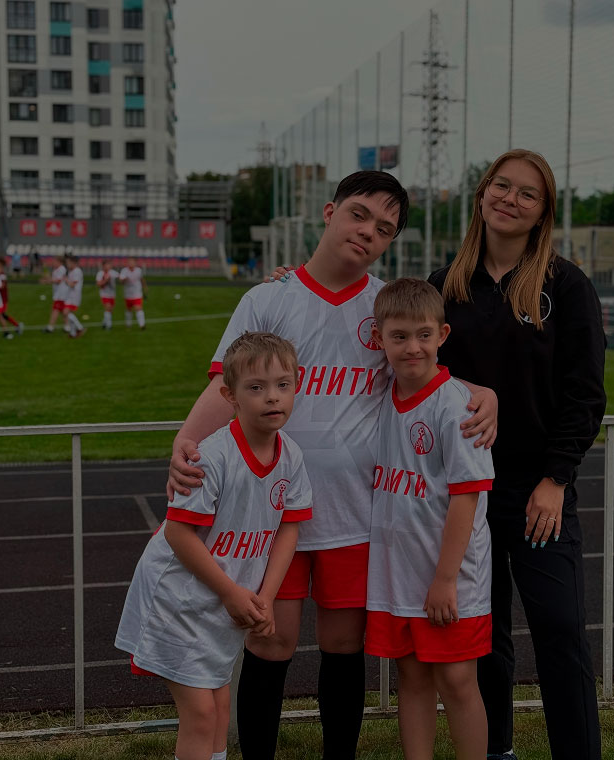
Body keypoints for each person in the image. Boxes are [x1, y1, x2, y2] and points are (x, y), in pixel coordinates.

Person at [167, 171, 497, 759]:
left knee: (343, 646)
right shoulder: (268, 299)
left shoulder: (385, 306)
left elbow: (428, 370)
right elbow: (224, 384)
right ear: (330, 212)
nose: (368, 232)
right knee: (271, 641)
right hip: (274, 513)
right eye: (359, 215)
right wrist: (186, 442)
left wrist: (485, 393)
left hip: (356, 513)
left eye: (385, 228)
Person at [427, 149, 606, 760]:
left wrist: (556, 478)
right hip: (463, 495)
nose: (511, 199)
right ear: (482, 195)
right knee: (484, 635)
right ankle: (495, 750)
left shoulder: (567, 286)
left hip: (537, 493)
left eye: (527, 193)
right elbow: (402, 352)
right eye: (501, 186)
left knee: (559, 629)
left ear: (542, 212)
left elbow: (585, 394)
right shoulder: (444, 286)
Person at [116, 332, 312, 760]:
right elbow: (177, 533)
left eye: (283, 385)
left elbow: (288, 529)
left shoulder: (292, 457)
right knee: (202, 714)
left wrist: (266, 598)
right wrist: (231, 592)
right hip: (178, 598)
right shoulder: (213, 456)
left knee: (221, 708)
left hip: (224, 601)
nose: (272, 397)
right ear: (230, 396)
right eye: (256, 387)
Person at [365, 278, 495, 760]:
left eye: (423, 335)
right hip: (399, 571)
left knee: (457, 680)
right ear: (379, 339)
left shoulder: (456, 405)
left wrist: (445, 580)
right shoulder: (381, 394)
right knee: (413, 676)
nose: (412, 347)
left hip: (450, 574)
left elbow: (467, 497)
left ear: (442, 334)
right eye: (399, 336)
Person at [0, 258, 23, 335]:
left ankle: (16, 326)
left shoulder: (2, 275)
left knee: (1, 314)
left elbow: (2, 286)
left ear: (1, 264)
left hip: (2, 298)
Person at [120, 256, 148, 329]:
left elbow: (141, 279)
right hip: (128, 294)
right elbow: (121, 281)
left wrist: (145, 287)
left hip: (137, 293)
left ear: (135, 263)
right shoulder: (124, 271)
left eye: (132, 262)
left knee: (138, 308)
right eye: (129, 262)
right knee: (129, 309)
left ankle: (142, 325)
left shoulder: (138, 270)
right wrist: (124, 279)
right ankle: (128, 324)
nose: (131, 263)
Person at [43, 254, 68, 333]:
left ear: (59, 262)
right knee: (63, 311)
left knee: (55, 310)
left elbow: (58, 280)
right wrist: (46, 278)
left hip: (61, 294)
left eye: (54, 261)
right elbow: (52, 279)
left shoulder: (61, 269)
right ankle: (67, 326)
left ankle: (51, 327)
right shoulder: (56, 270)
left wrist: (48, 280)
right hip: (58, 293)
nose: (53, 263)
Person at [62, 254, 86, 339]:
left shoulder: (77, 271)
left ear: (73, 263)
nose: (67, 265)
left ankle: (80, 328)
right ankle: (73, 333)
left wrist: (66, 280)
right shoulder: (71, 271)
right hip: (70, 295)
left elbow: (72, 284)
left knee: (66, 312)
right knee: (69, 314)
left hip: (74, 296)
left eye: (68, 263)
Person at [96, 259, 118, 330]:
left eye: (109, 264)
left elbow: (120, 277)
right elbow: (98, 284)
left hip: (112, 294)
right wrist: (105, 281)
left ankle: (104, 323)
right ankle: (109, 326)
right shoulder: (100, 273)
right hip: (104, 294)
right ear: (103, 266)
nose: (108, 266)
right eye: (107, 264)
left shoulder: (112, 272)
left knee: (110, 310)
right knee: (108, 308)